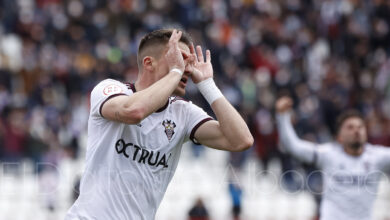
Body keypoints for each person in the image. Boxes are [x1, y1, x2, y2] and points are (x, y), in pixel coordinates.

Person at [65, 29, 253, 220]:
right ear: (149, 63)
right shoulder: (109, 90)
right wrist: (175, 72)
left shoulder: (183, 113)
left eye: (188, 62)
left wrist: (207, 85)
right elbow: (134, 112)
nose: (187, 68)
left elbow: (241, 141)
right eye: (178, 58)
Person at [275, 96, 390, 220]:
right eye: (350, 127)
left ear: (366, 133)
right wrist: (282, 117)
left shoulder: (378, 157)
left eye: (360, 127)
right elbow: (293, 146)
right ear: (339, 136)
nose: (356, 131)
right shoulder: (329, 155)